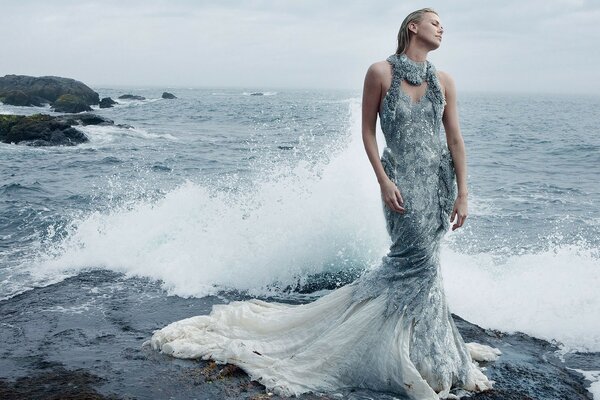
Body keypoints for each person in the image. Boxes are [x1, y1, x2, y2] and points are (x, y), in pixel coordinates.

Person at [147, 8, 500, 399]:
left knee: (427, 268)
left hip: (437, 187)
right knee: (411, 264)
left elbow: (455, 140)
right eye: (435, 22)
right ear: (412, 27)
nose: (441, 28)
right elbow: (367, 132)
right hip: (399, 184)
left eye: (443, 25)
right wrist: (383, 181)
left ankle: (427, 351)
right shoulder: (380, 72)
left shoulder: (444, 80)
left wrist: (463, 193)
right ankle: (395, 350)